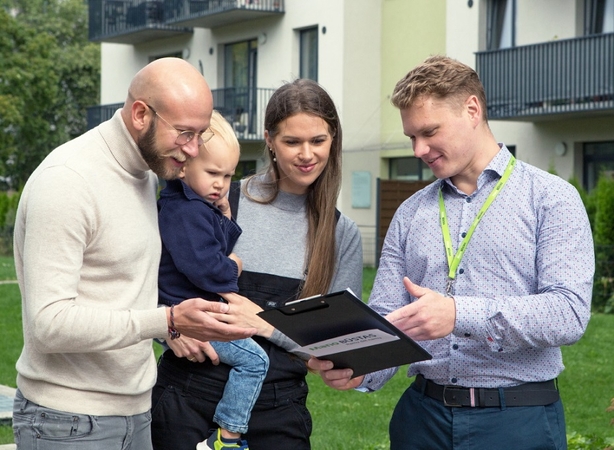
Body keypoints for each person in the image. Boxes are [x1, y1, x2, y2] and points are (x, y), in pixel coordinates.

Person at [309, 55, 595, 450]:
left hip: (517, 422)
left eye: (428, 132)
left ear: (472, 109)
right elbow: (389, 320)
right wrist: (360, 369)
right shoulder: (410, 213)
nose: (418, 149)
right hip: (420, 422)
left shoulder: (551, 198)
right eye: (411, 137)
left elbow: (568, 313)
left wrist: (459, 314)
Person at [12, 57, 256, 450]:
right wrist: (169, 320)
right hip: (68, 423)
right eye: (185, 133)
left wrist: (169, 324)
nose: (194, 151)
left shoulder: (145, 172)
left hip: (137, 413)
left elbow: (128, 284)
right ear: (141, 114)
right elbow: (48, 324)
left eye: (200, 135)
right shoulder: (68, 181)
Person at [151, 78, 364, 450]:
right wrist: (166, 329)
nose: (306, 154)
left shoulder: (340, 233)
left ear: (334, 140)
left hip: (278, 415)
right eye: (291, 141)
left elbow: (337, 349)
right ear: (269, 140)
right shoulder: (218, 197)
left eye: (318, 140)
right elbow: (149, 280)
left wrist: (264, 324)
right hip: (187, 399)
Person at [157, 110, 269, 450]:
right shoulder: (186, 212)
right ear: (186, 164)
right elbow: (207, 268)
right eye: (212, 173)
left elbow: (210, 249)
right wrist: (233, 267)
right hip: (193, 315)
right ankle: (227, 436)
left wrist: (225, 216)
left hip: (184, 311)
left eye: (228, 175)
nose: (221, 184)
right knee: (256, 361)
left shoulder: (193, 206)